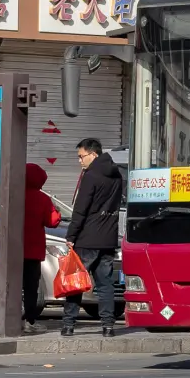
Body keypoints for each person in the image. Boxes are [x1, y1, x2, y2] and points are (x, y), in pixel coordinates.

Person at [63, 138, 124, 337]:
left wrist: (71, 235)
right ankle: (108, 326)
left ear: (93, 154)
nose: (80, 161)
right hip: (107, 238)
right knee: (105, 284)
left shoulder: (91, 176)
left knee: (75, 283)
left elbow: (80, 210)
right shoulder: (117, 175)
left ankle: (69, 324)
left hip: (87, 238)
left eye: (81, 156)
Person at [22, 163, 61, 335]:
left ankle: (11, 318)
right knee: (31, 288)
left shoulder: (12, 194)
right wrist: (57, 212)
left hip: (12, 251)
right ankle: (29, 320)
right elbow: (52, 221)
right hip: (33, 251)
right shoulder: (42, 198)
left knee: (12, 286)